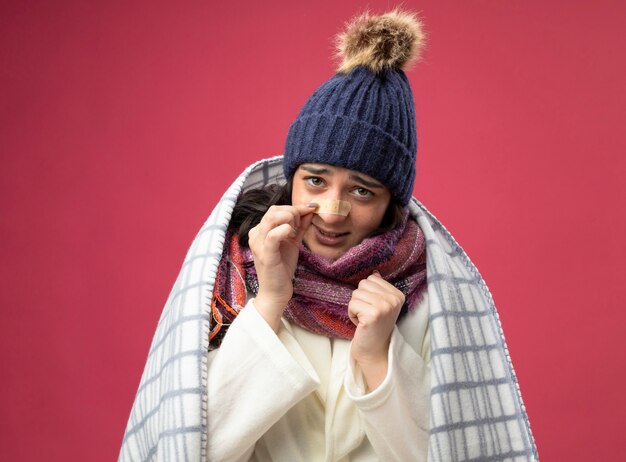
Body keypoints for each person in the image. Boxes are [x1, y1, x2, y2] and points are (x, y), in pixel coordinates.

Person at [119, 10, 538, 462]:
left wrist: (379, 357)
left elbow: (449, 454)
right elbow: (191, 448)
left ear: (390, 204)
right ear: (292, 179)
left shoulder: (428, 299)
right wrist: (269, 303)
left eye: (361, 190)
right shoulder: (231, 282)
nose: (332, 213)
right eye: (316, 180)